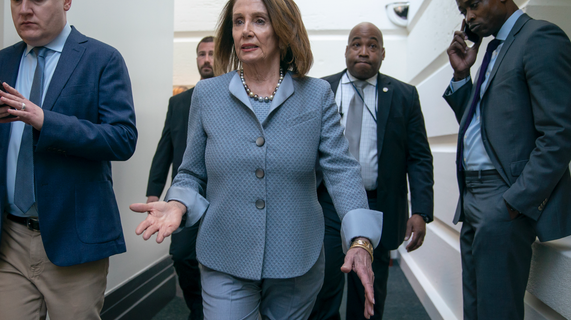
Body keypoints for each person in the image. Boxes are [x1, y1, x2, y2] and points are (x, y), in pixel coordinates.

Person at [130, 0, 383, 319]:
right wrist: (178, 204)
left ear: (283, 30)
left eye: (259, 21)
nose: (246, 30)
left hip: (297, 256)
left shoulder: (316, 95)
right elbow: (191, 173)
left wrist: (361, 239)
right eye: (238, 22)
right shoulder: (207, 95)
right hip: (225, 251)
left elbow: (342, 171)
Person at [0, 0, 137, 319]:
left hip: (75, 239)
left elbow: (123, 139)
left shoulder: (102, 59)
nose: (24, 9)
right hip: (8, 240)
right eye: (16, 0)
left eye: (37, 0)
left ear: (67, 2)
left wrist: (45, 120)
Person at [444, 0, 571, 318]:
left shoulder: (539, 38)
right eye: (463, 12)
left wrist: (517, 201)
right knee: (475, 308)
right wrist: (462, 75)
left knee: (497, 310)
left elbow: (559, 134)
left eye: (473, 4)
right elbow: (481, 128)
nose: (469, 17)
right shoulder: (493, 49)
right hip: (473, 196)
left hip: (503, 198)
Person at [310, 22, 434, 320]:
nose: (364, 51)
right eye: (356, 44)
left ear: (383, 53)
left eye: (373, 45)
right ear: (346, 50)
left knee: (368, 290)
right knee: (322, 285)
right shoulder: (319, 91)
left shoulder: (404, 96)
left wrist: (421, 210)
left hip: (378, 205)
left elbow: (419, 157)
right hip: (327, 206)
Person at [146, 35, 215, 320]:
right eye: (202, 54)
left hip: (224, 195)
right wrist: (154, 191)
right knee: (183, 254)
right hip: (185, 196)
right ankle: (199, 310)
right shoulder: (178, 103)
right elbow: (165, 148)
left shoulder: (235, 98)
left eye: (212, 53)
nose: (207, 59)